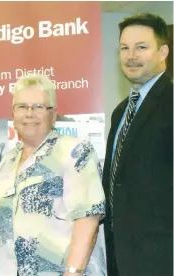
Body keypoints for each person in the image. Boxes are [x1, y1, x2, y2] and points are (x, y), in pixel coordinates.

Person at [0, 74, 107, 276]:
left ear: (54, 114)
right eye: (22, 107)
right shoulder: (7, 161)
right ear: (13, 113)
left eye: (39, 107)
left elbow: (88, 218)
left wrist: (73, 271)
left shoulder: (75, 152)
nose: (29, 113)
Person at [102, 13, 173, 276]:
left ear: (163, 51)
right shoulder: (121, 111)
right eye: (124, 48)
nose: (131, 55)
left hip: (162, 257)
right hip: (121, 254)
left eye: (141, 47)